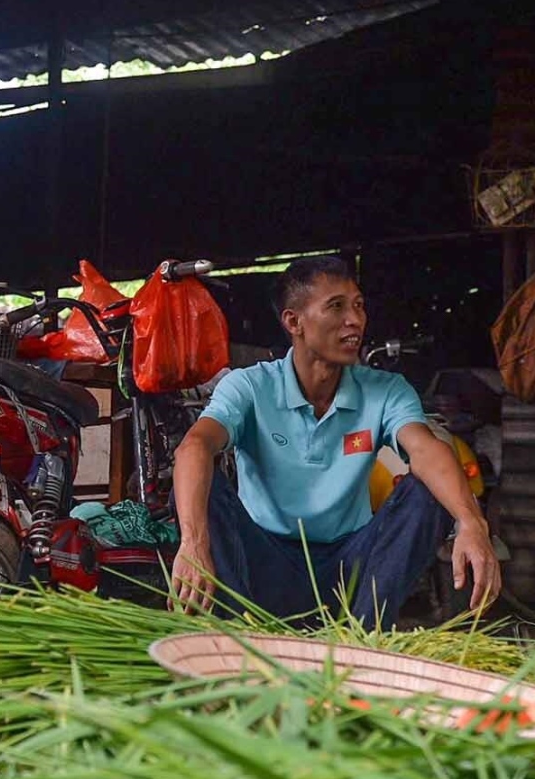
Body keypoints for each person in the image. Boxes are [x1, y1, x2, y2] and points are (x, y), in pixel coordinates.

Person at [170, 255, 502, 627]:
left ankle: (362, 639)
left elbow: (426, 450)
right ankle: (239, 638)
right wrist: (193, 544)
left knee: (430, 492)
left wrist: (472, 522)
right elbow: (194, 446)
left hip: (351, 569)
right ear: (294, 322)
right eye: (336, 307)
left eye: (359, 306)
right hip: (265, 565)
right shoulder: (250, 386)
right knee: (199, 484)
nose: (355, 320)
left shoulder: (385, 390)